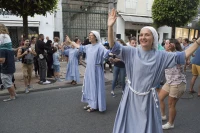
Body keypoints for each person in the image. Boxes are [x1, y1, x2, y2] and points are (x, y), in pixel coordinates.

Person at [107, 9, 200, 133]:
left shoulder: (161, 56)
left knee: (146, 126)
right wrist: (110, 27)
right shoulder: (131, 51)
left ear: (153, 38)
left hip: (148, 99)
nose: (143, 37)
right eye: (141, 35)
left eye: (147, 35)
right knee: (129, 126)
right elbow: (113, 46)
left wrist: (198, 41)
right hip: (131, 97)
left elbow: (183, 55)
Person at [66, 31, 109, 113]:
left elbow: (107, 54)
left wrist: (109, 57)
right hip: (89, 70)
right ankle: (91, 103)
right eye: (89, 35)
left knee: (95, 87)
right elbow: (78, 46)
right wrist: (71, 41)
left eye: (91, 35)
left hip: (96, 70)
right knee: (89, 87)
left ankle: (95, 105)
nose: (89, 37)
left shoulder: (100, 46)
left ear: (96, 37)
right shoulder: (88, 46)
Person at [159, 38, 186, 129]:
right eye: (165, 43)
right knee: (160, 98)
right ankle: (163, 115)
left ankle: (171, 123)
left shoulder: (178, 54)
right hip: (169, 82)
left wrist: (171, 50)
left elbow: (182, 59)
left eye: (168, 43)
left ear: (173, 45)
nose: (166, 45)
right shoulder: (164, 54)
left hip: (178, 83)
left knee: (171, 104)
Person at [0, 24, 17, 101]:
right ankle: (14, 94)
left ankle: (12, 96)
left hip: (6, 68)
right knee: (10, 81)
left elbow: (2, 60)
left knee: (7, 82)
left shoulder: (2, 49)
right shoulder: (8, 43)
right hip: (11, 66)